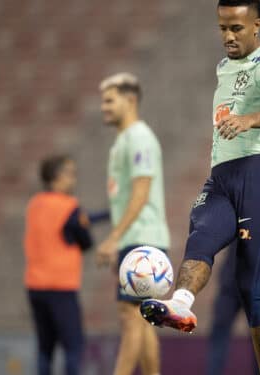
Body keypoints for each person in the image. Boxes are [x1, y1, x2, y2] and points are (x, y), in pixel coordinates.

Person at [139, 1, 260, 374]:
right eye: (223, 29)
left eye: (236, 28)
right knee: (201, 233)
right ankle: (181, 304)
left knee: (252, 288)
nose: (228, 37)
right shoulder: (222, 67)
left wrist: (251, 125)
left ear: (257, 25)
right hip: (222, 175)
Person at [95, 72, 170, 375]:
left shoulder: (139, 137)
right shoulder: (124, 140)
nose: (104, 107)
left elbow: (141, 191)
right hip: (136, 239)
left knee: (130, 316)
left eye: (110, 100)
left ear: (130, 100)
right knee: (141, 318)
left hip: (143, 239)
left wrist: (114, 237)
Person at [24, 155, 92, 375]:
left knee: (45, 349)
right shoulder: (69, 206)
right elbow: (85, 240)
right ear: (55, 177)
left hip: (35, 286)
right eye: (70, 174)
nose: (73, 179)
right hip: (61, 287)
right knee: (74, 347)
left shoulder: (35, 203)